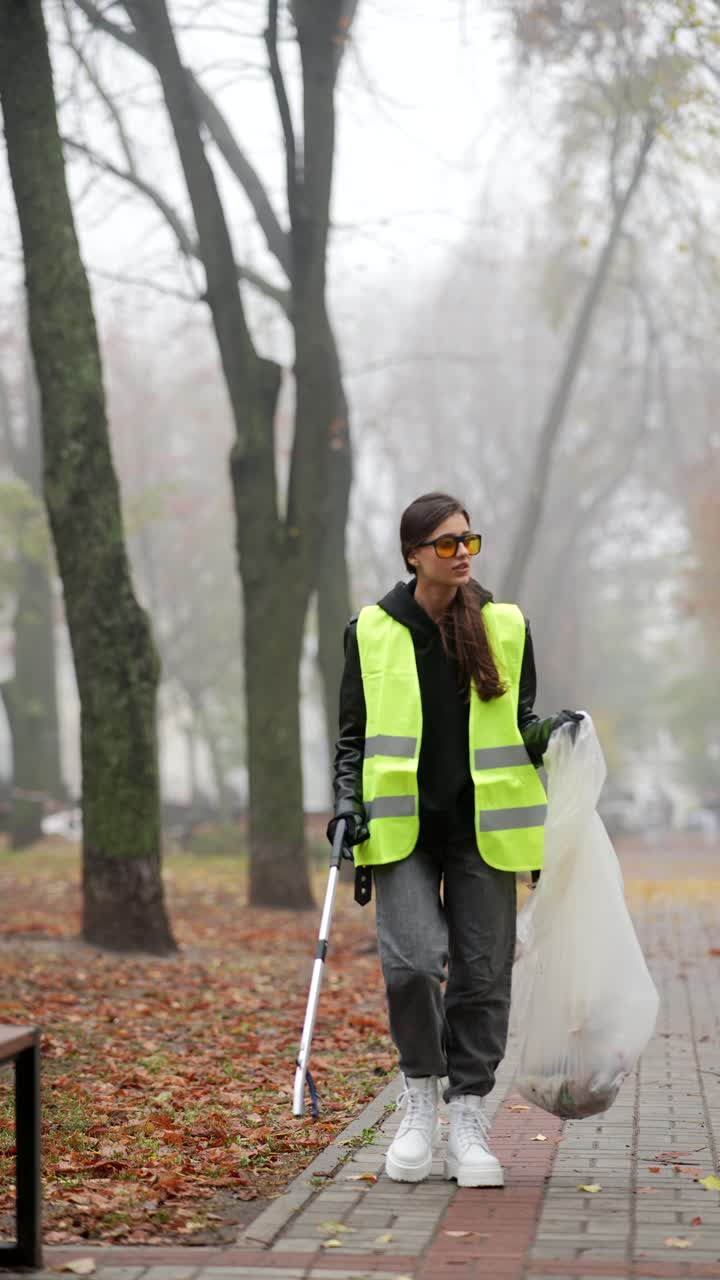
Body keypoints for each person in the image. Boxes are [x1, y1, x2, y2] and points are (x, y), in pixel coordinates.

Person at [328, 492, 582, 1188]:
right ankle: (418, 1101)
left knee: (482, 973)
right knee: (412, 964)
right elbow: (353, 738)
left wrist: (555, 730)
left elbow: (519, 722)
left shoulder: (505, 624)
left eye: (469, 538)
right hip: (402, 829)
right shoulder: (372, 630)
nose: (462, 551)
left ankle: (467, 1114)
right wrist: (346, 802)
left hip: (484, 831)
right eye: (446, 543)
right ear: (413, 554)